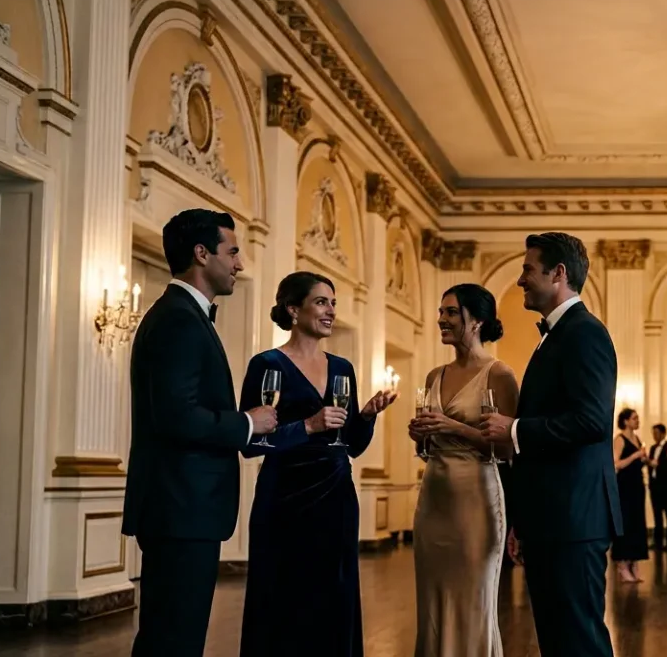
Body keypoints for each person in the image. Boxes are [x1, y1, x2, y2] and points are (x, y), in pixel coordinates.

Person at [123, 209, 278, 657]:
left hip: (181, 508)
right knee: (174, 638)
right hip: (181, 508)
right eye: (232, 252)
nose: (239, 264)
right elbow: (177, 417)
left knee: (172, 635)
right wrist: (249, 422)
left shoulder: (184, 316)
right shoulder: (178, 320)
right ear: (201, 253)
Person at [237, 272, 397, 656]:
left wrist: (368, 415)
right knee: (283, 591)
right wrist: (308, 426)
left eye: (334, 303)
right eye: (322, 302)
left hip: (336, 494)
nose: (331, 311)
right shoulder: (267, 363)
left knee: (334, 589)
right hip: (285, 496)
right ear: (293, 309)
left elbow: (352, 445)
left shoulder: (342, 368)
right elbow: (250, 443)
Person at [479, 233, 621, 657]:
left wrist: (514, 430)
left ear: (558, 273)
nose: (521, 279)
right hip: (554, 518)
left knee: (578, 641)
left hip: (574, 519)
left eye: (527, 269)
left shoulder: (584, 334)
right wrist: (523, 520)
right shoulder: (556, 336)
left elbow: (591, 421)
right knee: (559, 641)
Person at [409, 284, 518, 656]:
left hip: (476, 500)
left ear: (478, 321)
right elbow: (426, 449)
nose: (442, 318)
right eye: (442, 311)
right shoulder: (432, 376)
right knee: (432, 600)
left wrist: (455, 427)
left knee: (473, 599)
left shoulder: (500, 375)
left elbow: (507, 448)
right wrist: (420, 436)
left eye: (452, 312)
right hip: (433, 501)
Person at [612, 408, 650, 582]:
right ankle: (622, 564)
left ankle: (634, 562)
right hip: (624, 488)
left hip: (636, 486)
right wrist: (635, 456)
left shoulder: (636, 438)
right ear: (625, 421)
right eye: (634, 418)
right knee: (626, 523)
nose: (637, 421)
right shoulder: (619, 439)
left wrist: (643, 460)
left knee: (637, 523)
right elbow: (616, 464)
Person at [647, 423, 667, 550]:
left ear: (663, 433)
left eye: (657, 433)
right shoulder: (653, 448)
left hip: (666, 485)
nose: (654, 436)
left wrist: (657, 464)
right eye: (653, 433)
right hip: (654, 485)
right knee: (657, 514)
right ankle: (657, 540)